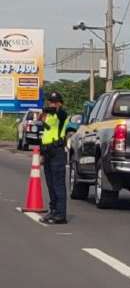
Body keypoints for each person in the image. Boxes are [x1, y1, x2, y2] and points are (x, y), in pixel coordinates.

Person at [39, 92, 69, 224]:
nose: (52, 104)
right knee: (50, 184)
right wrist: (41, 154)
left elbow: (61, 114)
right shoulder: (47, 116)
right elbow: (45, 134)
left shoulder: (62, 115)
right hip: (47, 152)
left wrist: (56, 109)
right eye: (51, 102)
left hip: (57, 152)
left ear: (60, 103)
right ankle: (53, 211)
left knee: (58, 185)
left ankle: (61, 215)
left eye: (55, 102)